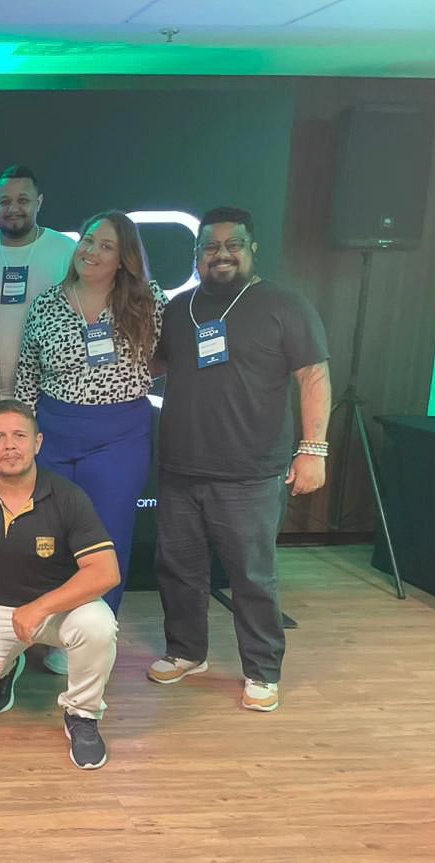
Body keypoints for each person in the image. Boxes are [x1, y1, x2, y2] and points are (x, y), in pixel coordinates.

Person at [148, 207, 331, 713]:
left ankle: (262, 671)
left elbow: (314, 376)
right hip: (180, 468)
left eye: (233, 244)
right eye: (210, 246)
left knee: (252, 576)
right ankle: (187, 652)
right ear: (197, 255)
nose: (221, 254)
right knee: (179, 569)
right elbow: (154, 365)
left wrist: (313, 450)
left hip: (251, 472)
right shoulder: (179, 308)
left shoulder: (283, 304)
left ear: (252, 249)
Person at [0, 401, 120, 769]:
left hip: (56, 608)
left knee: (99, 625)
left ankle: (82, 716)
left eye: (19, 436)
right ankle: (5, 671)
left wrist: (40, 607)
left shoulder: (68, 496)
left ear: (37, 443)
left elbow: (105, 572)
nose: (10, 446)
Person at [14, 210, 167, 636]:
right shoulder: (48, 302)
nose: (91, 251)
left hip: (120, 436)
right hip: (54, 434)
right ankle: (49, 628)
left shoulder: (148, 300)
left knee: (108, 536)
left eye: (106, 246)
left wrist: (131, 378)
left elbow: (170, 354)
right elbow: (27, 374)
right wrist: (24, 437)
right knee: (49, 536)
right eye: (87, 240)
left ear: (123, 259)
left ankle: (94, 631)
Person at [0, 165, 77, 400]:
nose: (13, 208)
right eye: (5, 201)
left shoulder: (67, 251)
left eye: (23, 200)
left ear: (39, 202)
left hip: (51, 395)